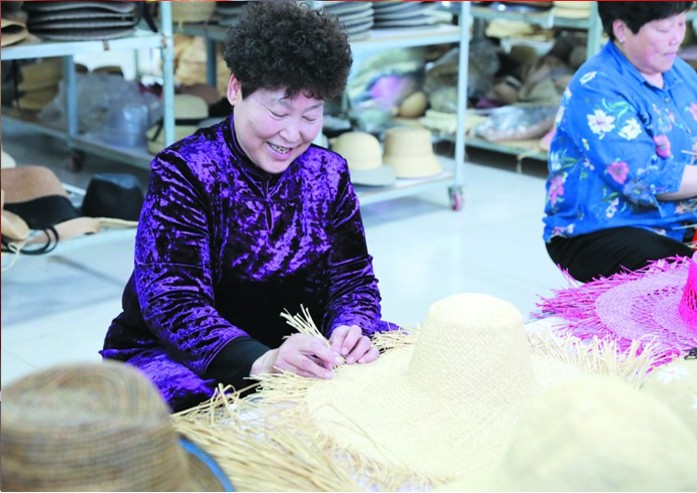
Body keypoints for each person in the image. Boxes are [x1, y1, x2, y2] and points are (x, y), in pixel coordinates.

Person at [101, 1, 394, 412]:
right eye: (278, 111)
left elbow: (353, 280)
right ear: (236, 89)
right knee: (203, 409)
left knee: (395, 369)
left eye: (311, 116)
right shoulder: (185, 171)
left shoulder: (328, 173)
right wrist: (263, 361)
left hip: (298, 345)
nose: (292, 134)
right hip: (191, 353)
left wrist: (351, 329)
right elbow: (173, 301)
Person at [542, 2, 697, 282]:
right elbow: (644, 178)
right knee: (685, 277)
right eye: (664, 28)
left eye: (681, 23)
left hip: (678, 222)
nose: (677, 37)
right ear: (622, 30)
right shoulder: (597, 85)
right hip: (601, 231)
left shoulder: (681, 75)